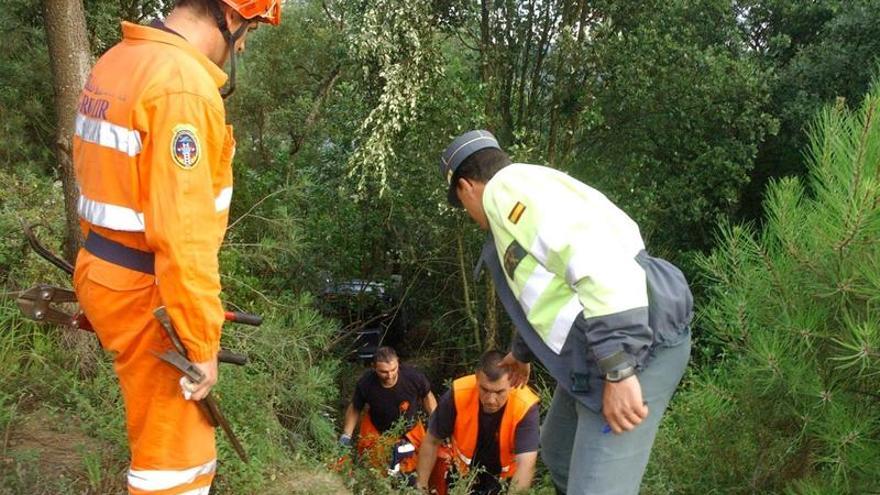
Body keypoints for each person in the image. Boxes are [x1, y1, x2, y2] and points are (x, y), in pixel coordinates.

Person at [71, 0, 280, 492]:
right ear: (230, 17)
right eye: (248, 28)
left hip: (105, 269)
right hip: (149, 291)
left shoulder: (120, 59)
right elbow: (182, 237)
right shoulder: (183, 87)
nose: (244, 43)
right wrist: (202, 343)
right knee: (177, 462)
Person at [437, 130, 693, 495]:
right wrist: (521, 353)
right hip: (597, 352)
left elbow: (602, 265)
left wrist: (620, 370)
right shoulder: (528, 190)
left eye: (462, 205)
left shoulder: (507, 191)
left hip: (637, 348)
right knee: (558, 453)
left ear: (465, 188)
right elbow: (547, 291)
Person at [416, 350, 539, 495]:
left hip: (505, 481)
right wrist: (420, 488)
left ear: (512, 382)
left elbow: (526, 464)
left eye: (499, 392)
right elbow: (432, 440)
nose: (490, 400)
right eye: (485, 390)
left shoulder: (525, 405)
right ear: (477, 377)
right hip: (462, 475)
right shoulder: (459, 393)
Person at [340, 346, 437, 475]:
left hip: (410, 432)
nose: (390, 375)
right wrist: (346, 436)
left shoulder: (413, 378)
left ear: (398, 362)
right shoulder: (366, 383)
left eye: (393, 369)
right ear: (374, 367)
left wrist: (436, 423)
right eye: (384, 372)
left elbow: (428, 397)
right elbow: (355, 408)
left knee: (416, 472)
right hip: (378, 433)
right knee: (376, 472)